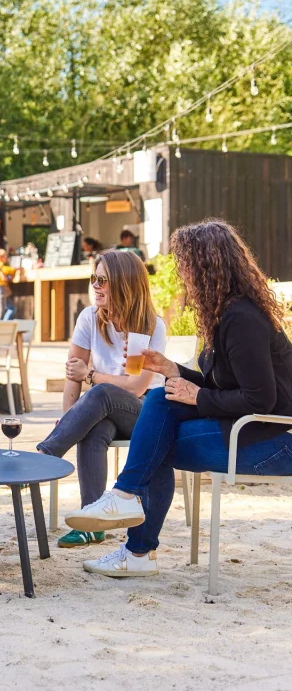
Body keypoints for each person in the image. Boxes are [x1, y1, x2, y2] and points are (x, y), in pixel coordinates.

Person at [68, 219, 292, 579]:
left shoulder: (241, 318)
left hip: (273, 440)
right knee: (158, 403)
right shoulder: (225, 314)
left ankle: (134, 537)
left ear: (207, 264)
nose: (182, 274)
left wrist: (199, 396)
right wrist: (171, 368)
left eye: (185, 264)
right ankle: (128, 514)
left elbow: (260, 398)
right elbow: (219, 383)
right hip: (246, 429)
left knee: (155, 442)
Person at [37, 249, 166, 548]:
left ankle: (45, 457)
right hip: (102, 410)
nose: (95, 285)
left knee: (102, 392)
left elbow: (136, 387)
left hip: (148, 413)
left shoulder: (151, 325)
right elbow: (73, 372)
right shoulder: (89, 318)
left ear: (124, 283)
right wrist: (70, 419)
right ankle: (92, 524)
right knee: (93, 426)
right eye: (93, 278)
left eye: (103, 280)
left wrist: (91, 375)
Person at [0, 249, 17, 320]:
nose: (6, 258)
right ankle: (4, 324)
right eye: (5, 256)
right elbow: (7, 272)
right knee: (9, 309)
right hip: (0, 290)